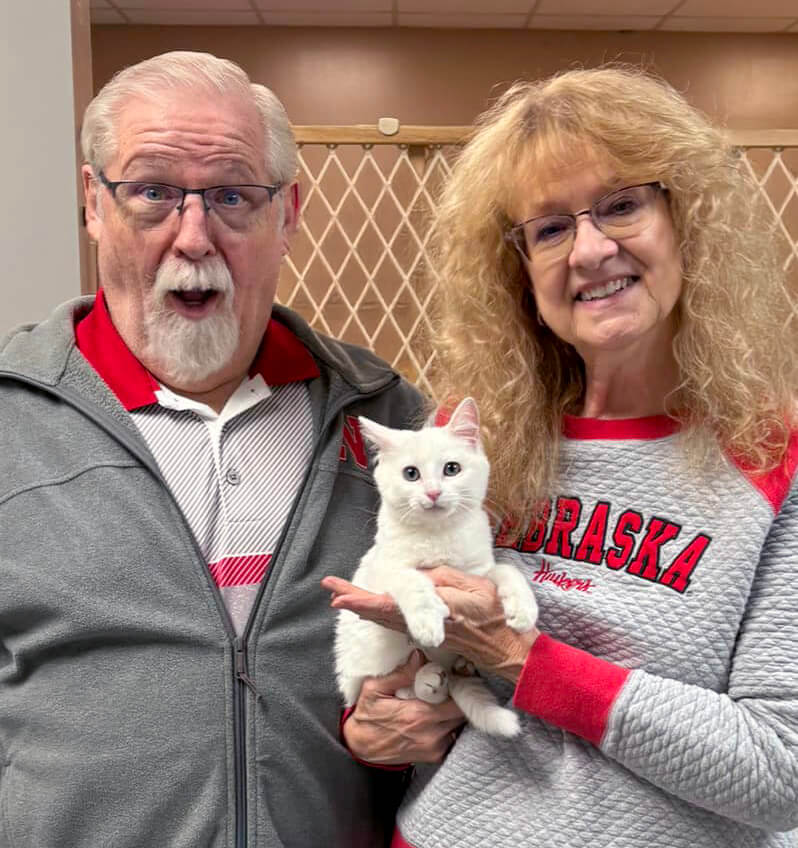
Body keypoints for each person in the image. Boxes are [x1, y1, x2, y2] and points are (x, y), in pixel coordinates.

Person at [323, 66, 798, 847]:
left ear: (686, 220)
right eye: (548, 229)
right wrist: (374, 726)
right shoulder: (468, 443)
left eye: (621, 205)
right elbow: (396, 670)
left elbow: (779, 769)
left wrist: (521, 657)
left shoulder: (771, 453)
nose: (590, 248)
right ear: (518, 273)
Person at [0, 50, 444, 848]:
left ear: (289, 213)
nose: (193, 235)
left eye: (234, 196)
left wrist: (418, 722)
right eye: (151, 193)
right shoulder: (11, 420)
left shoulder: (385, 420)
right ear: (93, 203)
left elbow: (440, 668)